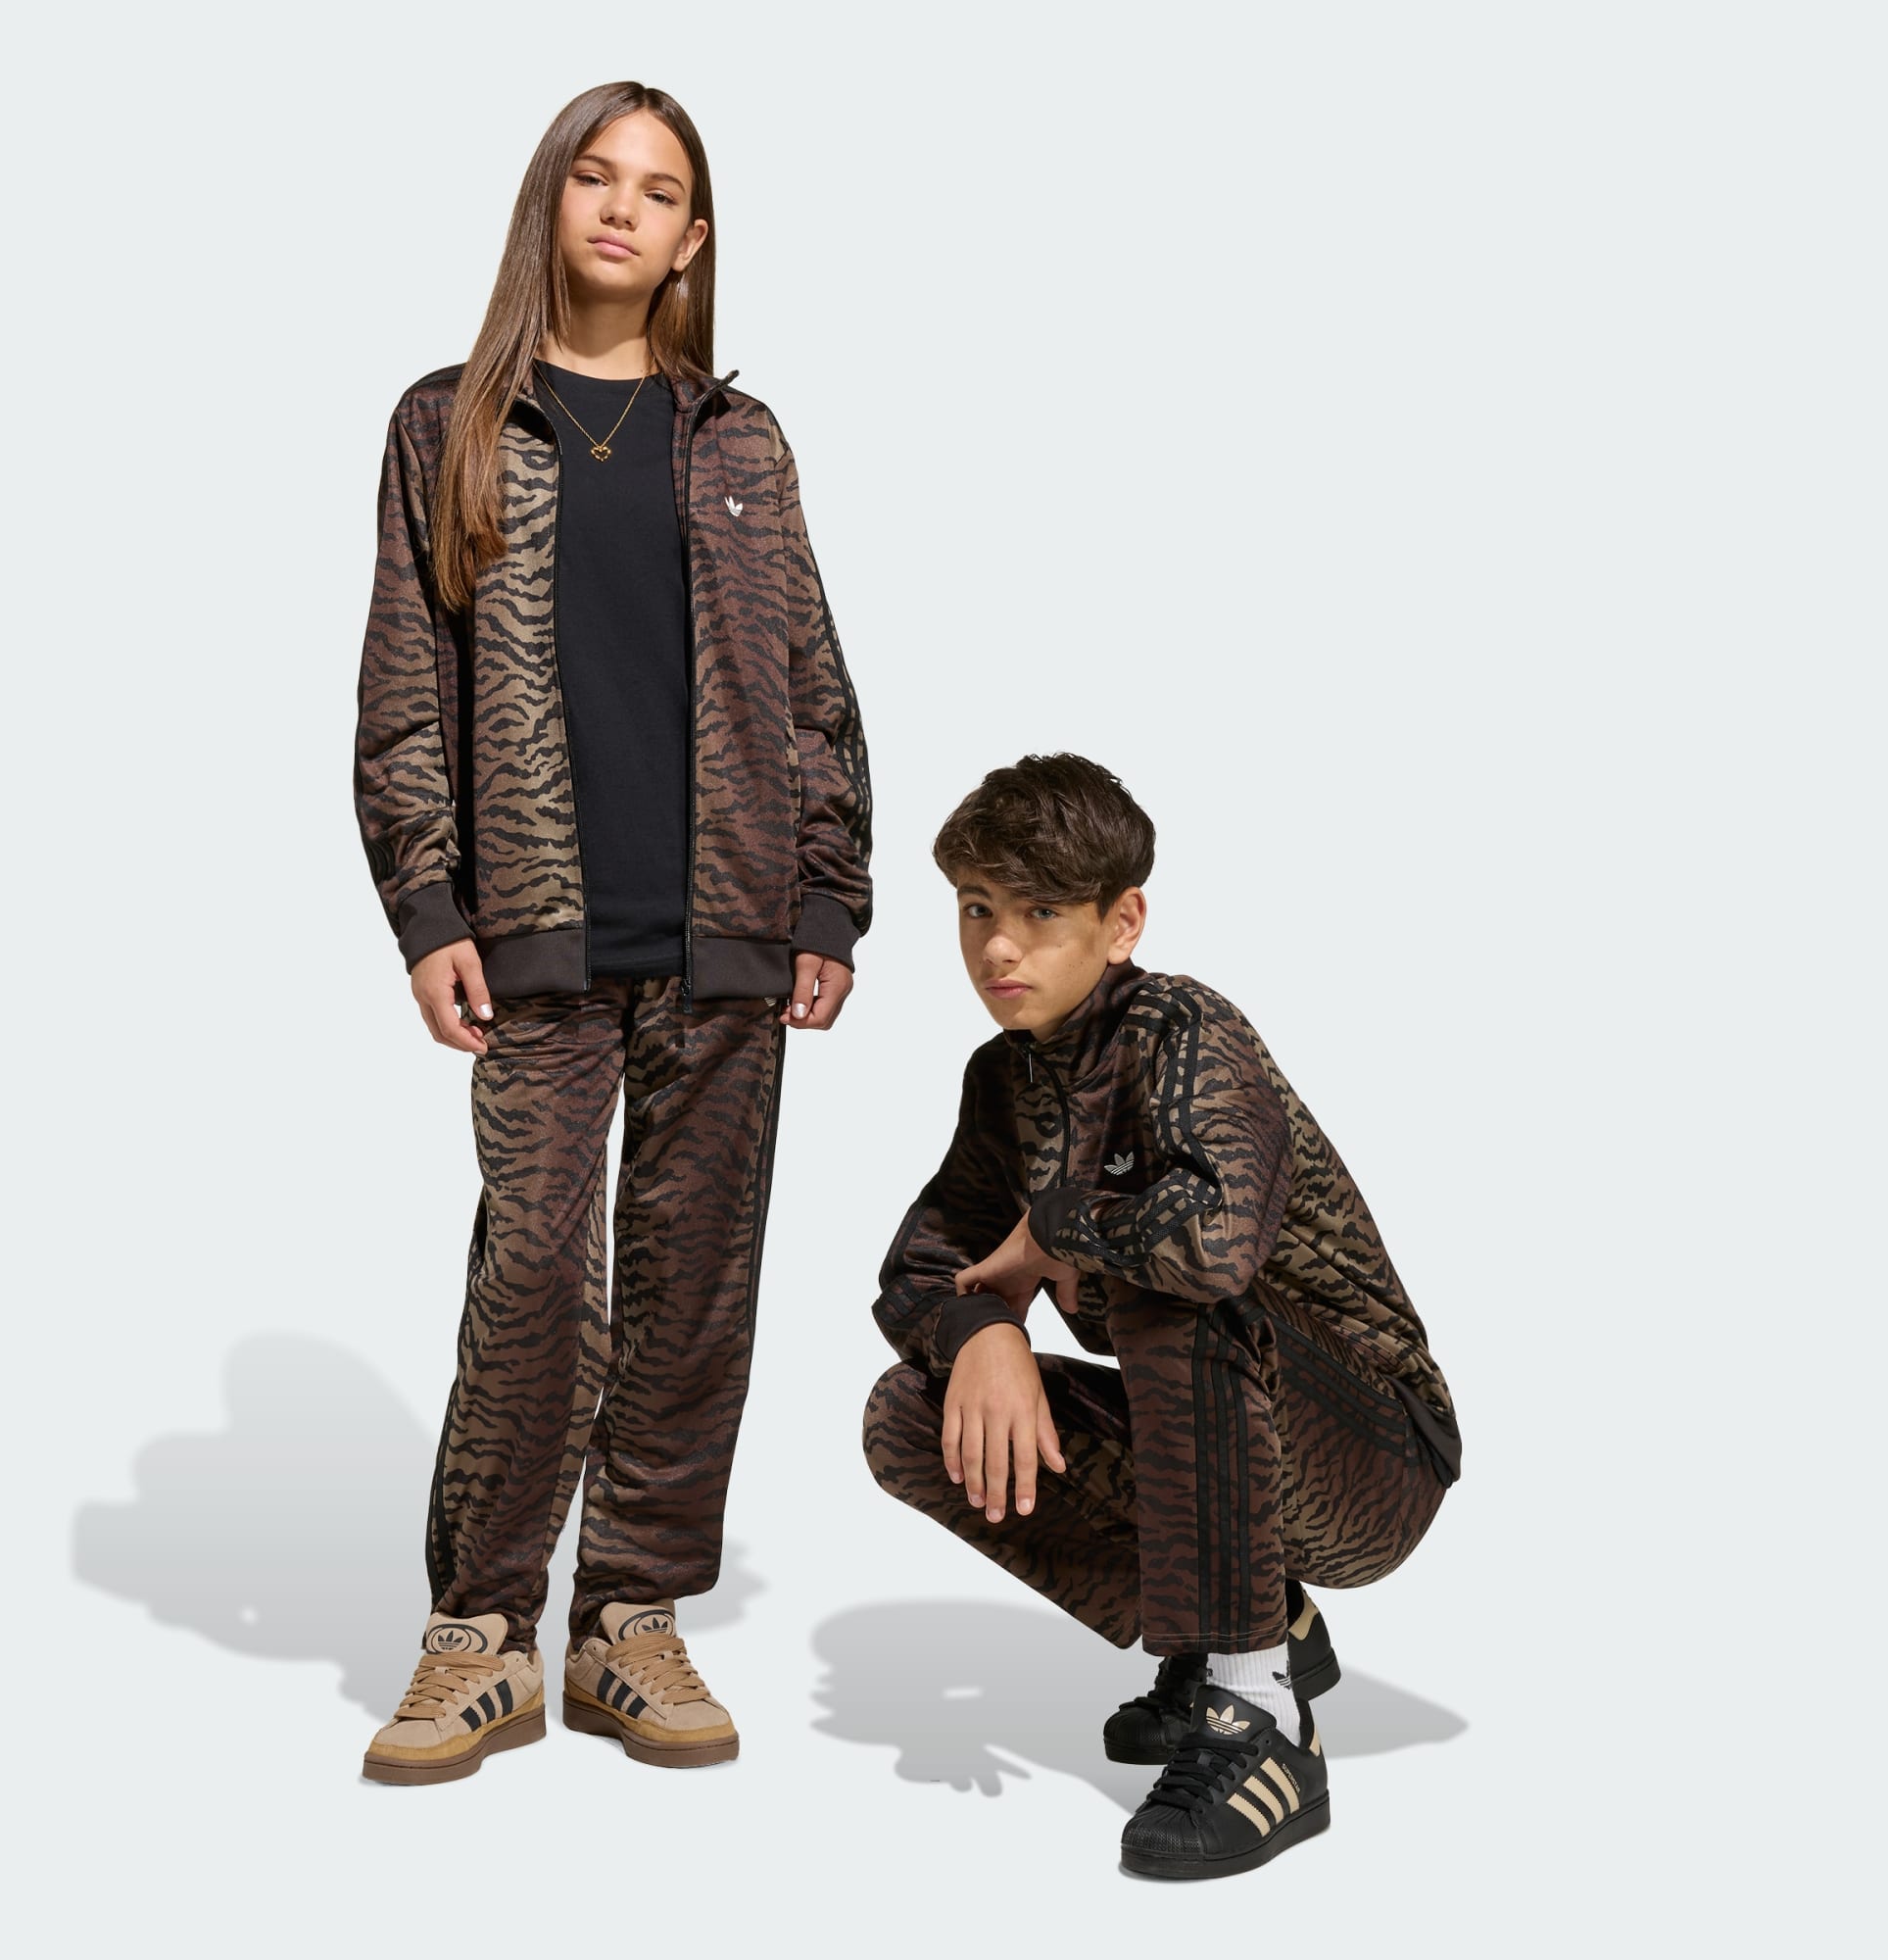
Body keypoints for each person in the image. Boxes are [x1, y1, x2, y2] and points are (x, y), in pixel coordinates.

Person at [353, 81, 871, 1785]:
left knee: (694, 1285)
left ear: (691, 240)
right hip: (537, 937)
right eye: (597, 176)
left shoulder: (742, 441)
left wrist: (826, 894)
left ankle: (629, 1619)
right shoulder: (449, 424)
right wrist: (427, 905)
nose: (624, 208)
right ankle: (482, 1633)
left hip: (727, 928)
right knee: (536, 1272)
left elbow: (808, 675)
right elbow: (406, 685)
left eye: (658, 190)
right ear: (552, 200)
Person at [862, 755, 1457, 1877]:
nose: (997, 947)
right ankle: (1254, 1622)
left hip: (1374, 1453)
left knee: (1174, 1297)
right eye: (976, 909)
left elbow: (1214, 1244)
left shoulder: (1182, 1028)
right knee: (909, 1410)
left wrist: (1050, 1228)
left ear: (1120, 922)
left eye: (1040, 912)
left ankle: (1260, 1716)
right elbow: (918, 1268)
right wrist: (982, 1331)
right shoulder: (1003, 1078)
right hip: (1223, 1441)